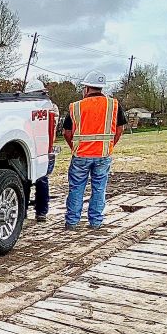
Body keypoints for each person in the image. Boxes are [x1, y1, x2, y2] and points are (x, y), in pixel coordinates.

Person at [63, 72, 125, 230]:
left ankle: (72, 222)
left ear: (86, 88)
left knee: (76, 188)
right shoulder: (113, 105)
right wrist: (109, 146)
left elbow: (66, 132)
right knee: (99, 188)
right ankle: (96, 222)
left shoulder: (76, 106)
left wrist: (74, 147)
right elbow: (119, 129)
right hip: (103, 155)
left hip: (81, 155)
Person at [33, 89, 58, 222]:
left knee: (40, 180)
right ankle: (40, 212)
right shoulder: (51, 107)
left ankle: (40, 211)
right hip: (43, 150)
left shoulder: (49, 109)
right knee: (41, 181)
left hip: (42, 150)